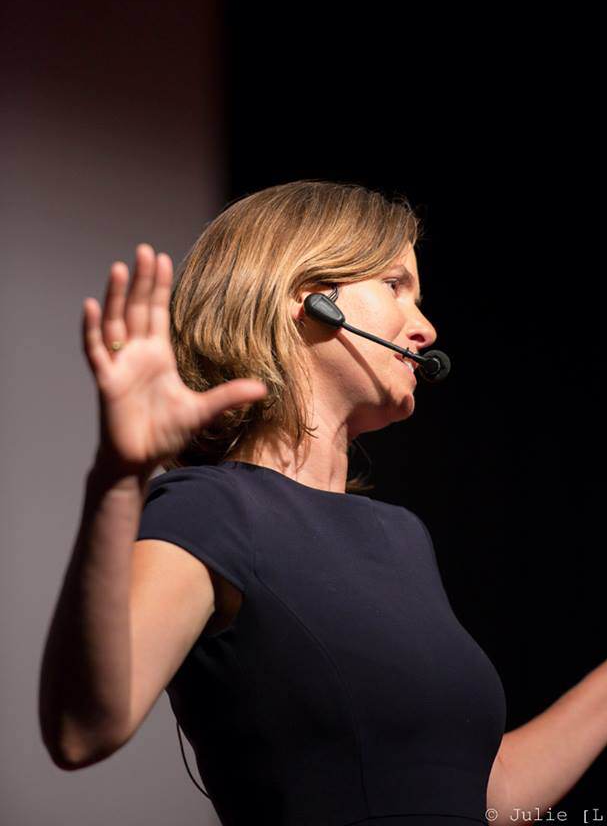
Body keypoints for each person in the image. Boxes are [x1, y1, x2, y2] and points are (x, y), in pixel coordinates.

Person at [39, 180, 508, 826]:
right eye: (396, 286)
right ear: (308, 300)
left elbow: (468, 795)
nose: (425, 327)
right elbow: (82, 730)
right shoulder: (211, 510)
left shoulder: (404, 536)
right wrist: (119, 476)